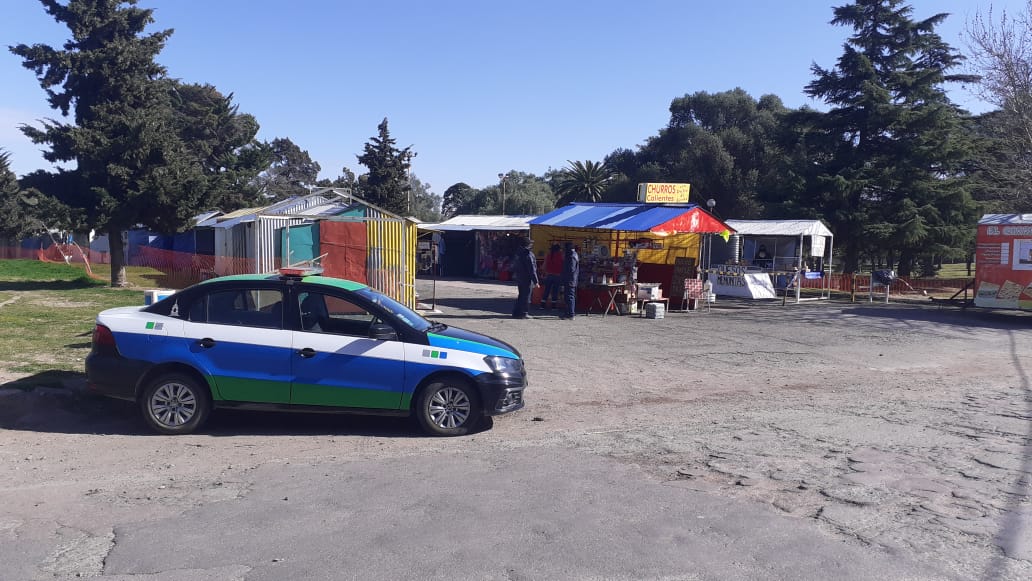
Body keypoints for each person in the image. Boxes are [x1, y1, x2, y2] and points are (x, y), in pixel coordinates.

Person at [510, 236, 539, 319]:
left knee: (521, 295)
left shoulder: (518, 253)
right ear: (528, 244)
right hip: (526, 278)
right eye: (530, 243)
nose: (531, 245)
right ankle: (524, 313)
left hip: (520, 277)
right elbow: (531, 269)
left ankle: (516, 312)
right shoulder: (527, 254)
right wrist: (536, 281)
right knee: (526, 296)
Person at [539, 244, 563, 310]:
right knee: (555, 291)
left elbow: (544, 265)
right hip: (557, 276)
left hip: (549, 275)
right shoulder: (561, 255)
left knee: (546, 290)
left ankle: (542, 305)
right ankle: (553, 306)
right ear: (558, 249)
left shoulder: (548, 255)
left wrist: (543, 273)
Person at [559, 242, 579, 320]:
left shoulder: (571, 256)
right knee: (568, 296)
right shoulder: (573, 254)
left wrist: (563, 275)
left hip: (570, 279)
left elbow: (571, 269)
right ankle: (568, 313)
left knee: (569, 297)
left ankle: (571, 314)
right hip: (571, 279)